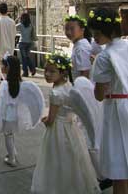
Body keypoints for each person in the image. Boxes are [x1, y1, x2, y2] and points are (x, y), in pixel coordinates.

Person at [31, 52, 100, 194]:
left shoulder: (55, 93)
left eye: (52, 71)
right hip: (72, 127)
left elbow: (50, 120)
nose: (47, 74)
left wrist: (45, 120)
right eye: (46, 71)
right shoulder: (69, 86)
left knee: (56, 159)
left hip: (58, 130)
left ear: (63, 73)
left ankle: (57, 188)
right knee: (74, 158)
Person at [88, 8, 128, 194]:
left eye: (97, 34)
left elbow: (99, 95)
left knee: (119, 167)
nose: (95, 38)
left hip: (116, 109)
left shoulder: (104, 57)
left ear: (108, 31)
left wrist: (96, 67)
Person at [0, 55, 43, 168]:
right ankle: (13, 152)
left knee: (8, 135)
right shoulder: (22, 84)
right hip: (16, 115)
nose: (1, 66)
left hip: (6, 114)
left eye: (3, 65)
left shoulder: (3, 84)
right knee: (11, 134)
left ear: (8, 68)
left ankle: (11, 158)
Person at [0, 3, 16, 78]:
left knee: (1, 66)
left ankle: (4, 81)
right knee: (9, 65)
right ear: (7, 10)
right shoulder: (12, 22)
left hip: (0, 47)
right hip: (10, 47)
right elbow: (14, 34)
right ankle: (8, 80)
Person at [64, 14, 93, 80]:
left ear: (82, 30)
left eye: (72, 29)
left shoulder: (81, 48)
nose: (68, 32)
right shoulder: (78, 45)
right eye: (66, 29)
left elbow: (85, 73)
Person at [16, 12, 36, 77]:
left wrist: (17, 19)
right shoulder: (31, 25)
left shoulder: (20, 25)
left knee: (24, 58)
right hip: (29, 43)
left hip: (22, 43)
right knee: (27, 57)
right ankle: (32, 69)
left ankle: (26, 72)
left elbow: (13, 26)